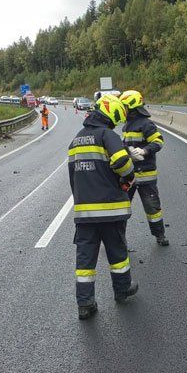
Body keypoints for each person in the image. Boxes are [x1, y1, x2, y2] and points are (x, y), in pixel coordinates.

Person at [68, 94, 138, 320]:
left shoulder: (76, 140)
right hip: (111, 210)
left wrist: (81, 200)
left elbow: (72, 177)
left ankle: (85, 304)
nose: (116, 123)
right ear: (111, 114)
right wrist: (128, 176)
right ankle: (122, 290)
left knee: (85, 261)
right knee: (117, 253)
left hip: (85, 214)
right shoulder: (108, 135)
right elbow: (122, 162)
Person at [119, 89, 169, 246]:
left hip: (146, 175)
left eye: (124, 106)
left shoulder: (146, 124)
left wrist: (144, 151)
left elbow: (158, 141)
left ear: (131, 107)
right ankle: (119, 240)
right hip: (129, 175)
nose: (122, 109)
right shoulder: (126, 125)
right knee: (122, 208)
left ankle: (160, 235)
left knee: (152, 208)